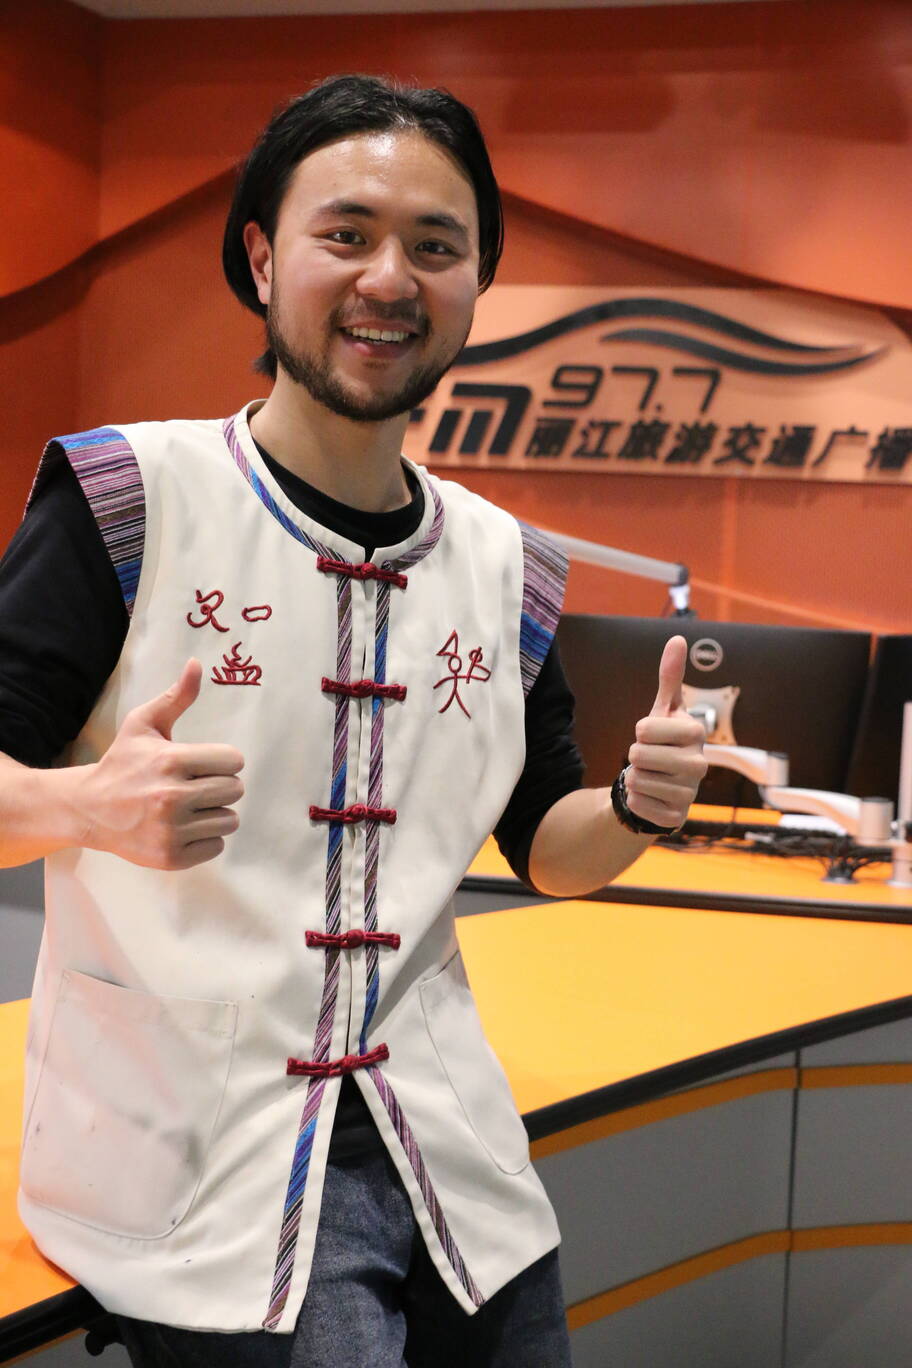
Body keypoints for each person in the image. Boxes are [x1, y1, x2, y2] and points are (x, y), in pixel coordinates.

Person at [0, 74, 706, 1367]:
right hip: (195, 1162)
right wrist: (81, 804)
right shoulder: (129, 499)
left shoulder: (504, 565)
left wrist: (634, 808)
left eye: (436, 246)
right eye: (347, 233)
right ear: (263, 258)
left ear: (478, 282)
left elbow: (546, 850)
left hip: (447, 1155)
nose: (391, 277)